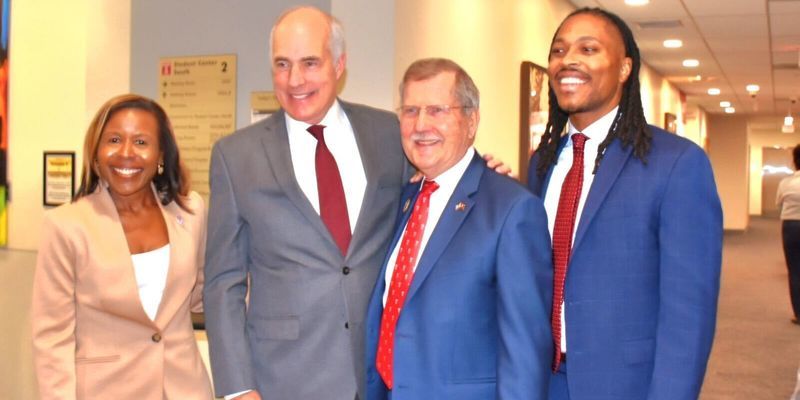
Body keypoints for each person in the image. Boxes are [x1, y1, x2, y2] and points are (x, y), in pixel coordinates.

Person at [527, 8, 723, 400]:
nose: (568, 61)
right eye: (559, 50)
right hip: (539, 381)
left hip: (623, 386)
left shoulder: (677, 164)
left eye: (589, 48)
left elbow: (689, 317)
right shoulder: (542, 161)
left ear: (624, 68)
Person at [363, 58, 552, 400]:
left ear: (471, 120)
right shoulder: (404, 199)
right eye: (410, 111)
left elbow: (525, 352)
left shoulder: (511, 209)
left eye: (437, 110)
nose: (421, 125)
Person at [31, 94, 212, 399]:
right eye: (114, 139)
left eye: (141, 142)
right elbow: (52, 339)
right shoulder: (66, 226)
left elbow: (205, 293)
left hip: (184, 388)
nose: (126, 153)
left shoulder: (191, 212)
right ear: (97, 151)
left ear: (161, 154)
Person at [776, 144, 800, 325]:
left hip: (791, 226)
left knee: (795, 270)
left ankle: (798, 313)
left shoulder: (786, 183)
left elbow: (779, 203)